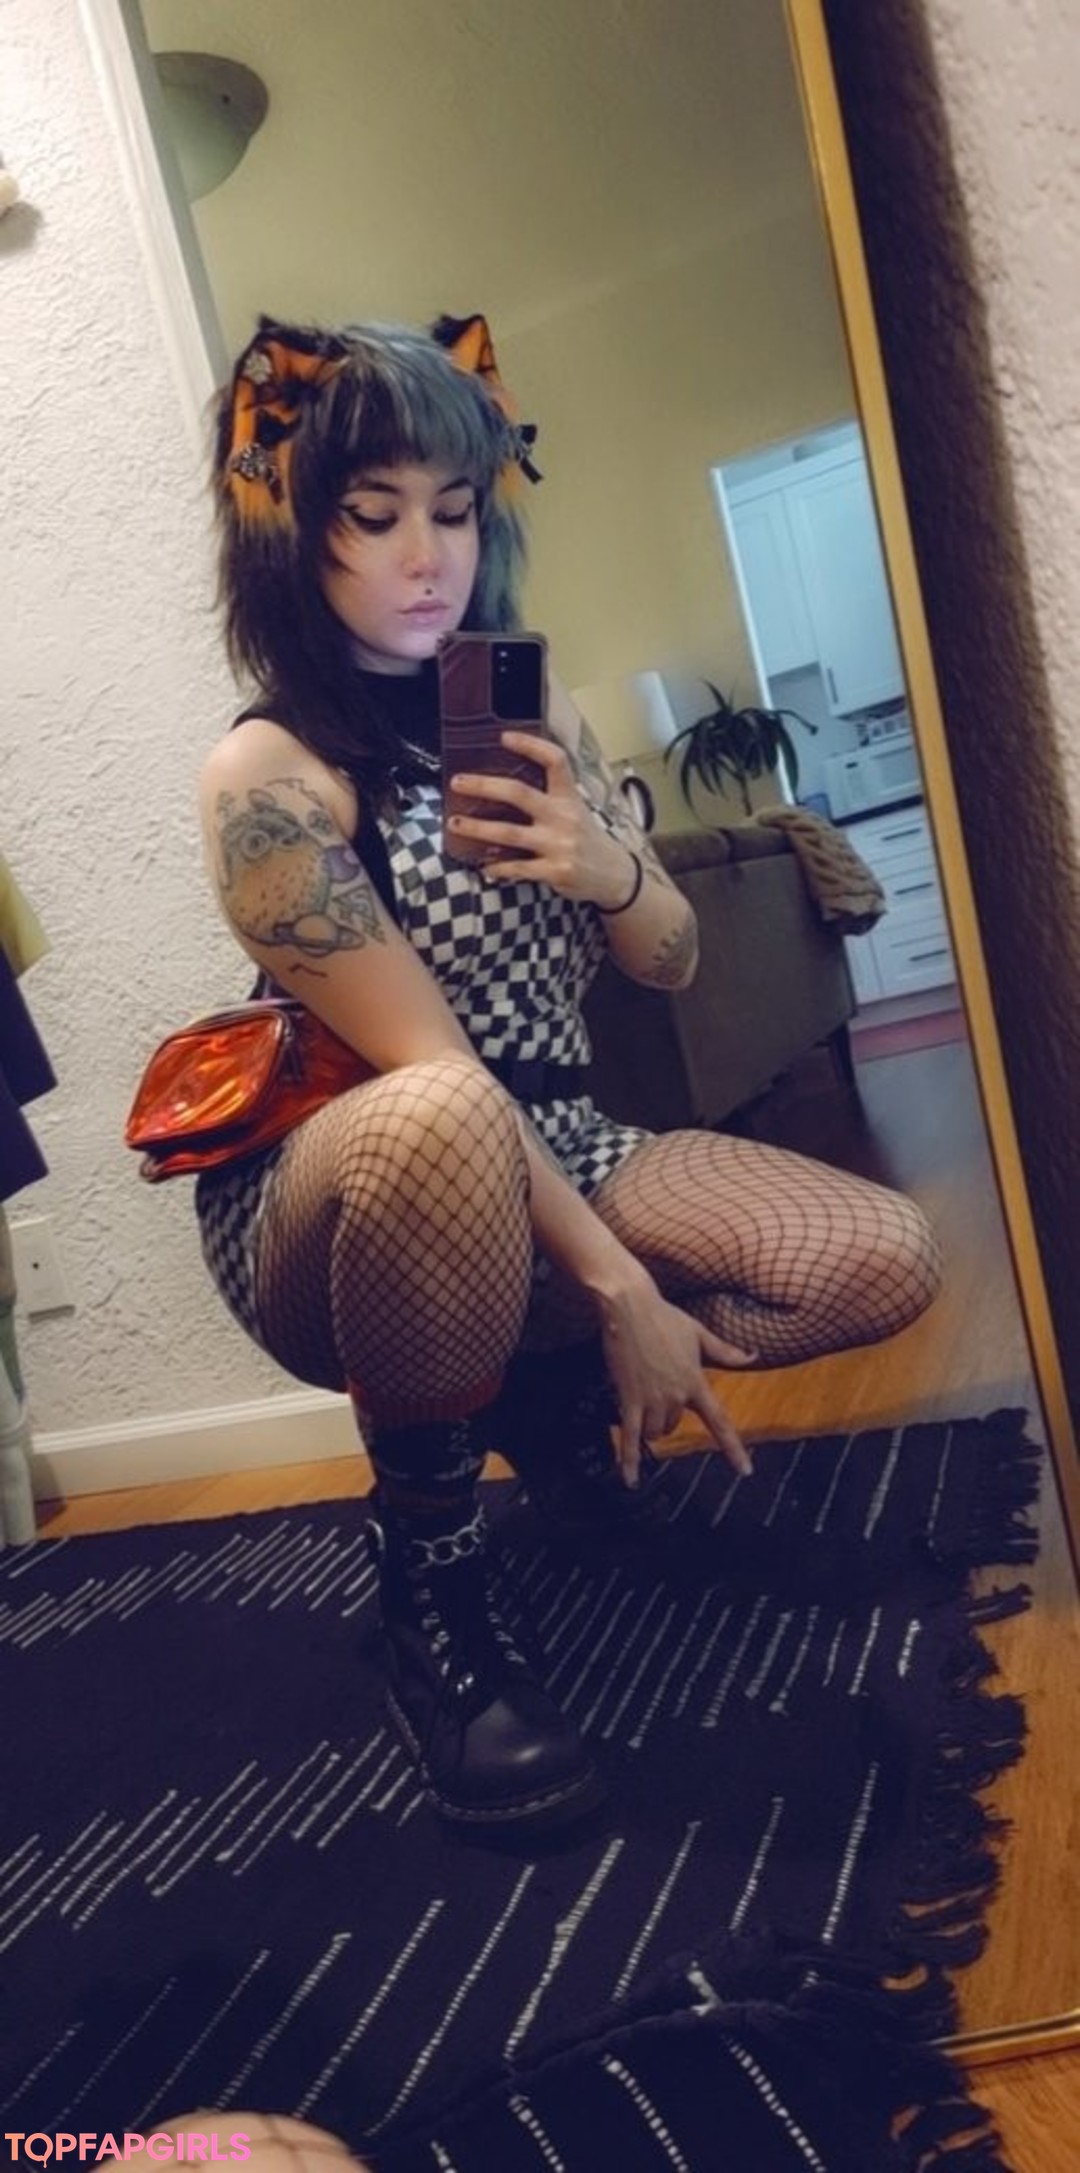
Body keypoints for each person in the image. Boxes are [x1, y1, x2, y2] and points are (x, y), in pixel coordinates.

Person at [193, 313, 941, 1838]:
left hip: (564, 1135)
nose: (429, 558)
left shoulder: (532, 713)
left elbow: (670, 959)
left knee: (883, 1254)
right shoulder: (268, 773)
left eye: (455, 511)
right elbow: (431, 1064)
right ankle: (430, 1578)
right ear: (290, 530)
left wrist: (607, 865)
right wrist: (624, 1287)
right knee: (446, 1108)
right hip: (352, 1182)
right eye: (374, 515)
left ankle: (546, 1409)